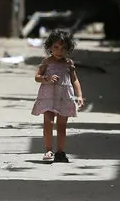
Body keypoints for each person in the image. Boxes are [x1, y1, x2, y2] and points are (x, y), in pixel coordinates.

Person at [31, 30, 84, 163]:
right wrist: (46, 78)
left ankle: (60, 152)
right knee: (48, 123)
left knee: (61, 126)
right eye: (56, 47)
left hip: (64, 98)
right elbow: (37, 78)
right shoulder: (46, 62)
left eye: (63, 48)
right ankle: (48, 150)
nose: (59, 51)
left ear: (68, 49)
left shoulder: (68, 63)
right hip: (48, 97)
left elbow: (75, 80)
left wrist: (80, 96)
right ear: (50, 47)